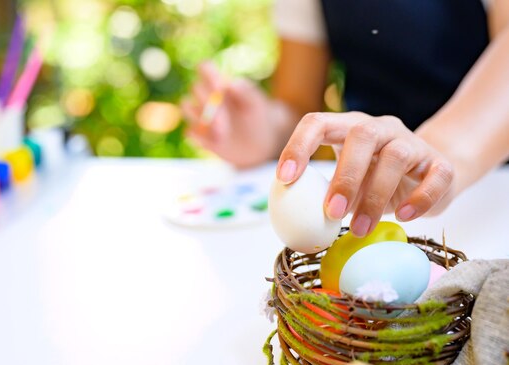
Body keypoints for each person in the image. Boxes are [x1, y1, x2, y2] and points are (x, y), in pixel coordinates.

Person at [181, 0, 509, 238]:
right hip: (367, 203)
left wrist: (436, 153)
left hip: (490, 196)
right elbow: (297, 102)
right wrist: (264, 132)